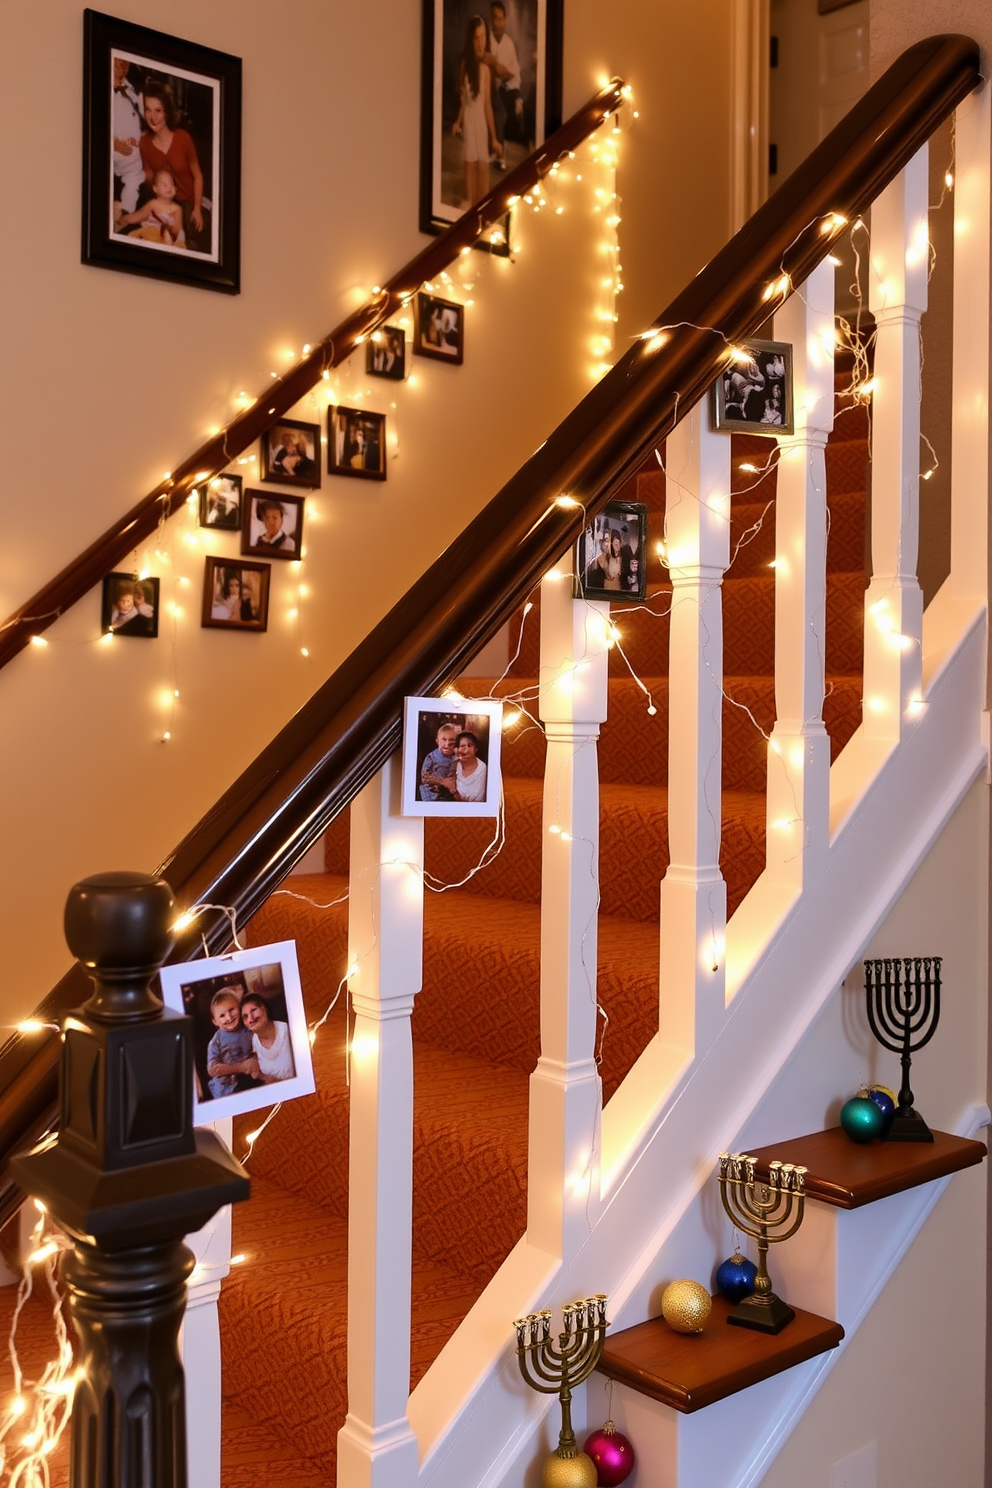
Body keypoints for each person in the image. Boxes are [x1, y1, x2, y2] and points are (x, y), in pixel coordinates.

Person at [137, 79, 206, 252]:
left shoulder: (183, 138)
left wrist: (197, 208)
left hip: (190, 203)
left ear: (167, 112)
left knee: (195, 242)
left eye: (158, 111)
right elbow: (149, 175)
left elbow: (198, 176)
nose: (153, 117)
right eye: (148, 110)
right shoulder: (144, 143)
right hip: (164, 204)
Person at [451, 14, 502, 207]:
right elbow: (464, 101)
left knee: (482, 164)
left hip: (481, 123)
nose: (480, 43)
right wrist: (458, 122)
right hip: (469, 124)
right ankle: (470, 200)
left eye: (483, 37)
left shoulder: (486, 71)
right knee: (469, 161)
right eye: (476, 38)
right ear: (470, 40)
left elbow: (487, 105)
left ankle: (482, 204)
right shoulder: (465, 66)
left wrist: (494, 137)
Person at [484, 1, 524, 168]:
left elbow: (515, 74)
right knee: (498, 108)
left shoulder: (508, 44)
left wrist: (505, 77)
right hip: (486, 85)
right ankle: (497, 154)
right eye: (494, 19)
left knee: (504, 104)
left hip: (505, 88)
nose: (497, 23)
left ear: (506, 20)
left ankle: (497, 152)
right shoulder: (485, 39)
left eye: (501, 19)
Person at [205, 986, 257, 1098]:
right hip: (227, 1088)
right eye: (222, 1015)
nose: (229, 1018)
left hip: (250, 1077)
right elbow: (212, 1070)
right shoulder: (215, 1042)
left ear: (239, 1008)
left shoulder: (249, 1030)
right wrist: (241, 1067)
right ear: (215, 1021)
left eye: (232, 1010)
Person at [117, 168, 186, 247]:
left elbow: (178, 230)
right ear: (155, 188)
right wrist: (124, 218)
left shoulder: (177, 208)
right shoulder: (153, 204)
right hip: (150, 235)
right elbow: (139, 215)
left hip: (167, 241)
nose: (169, 187)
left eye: (172, 184)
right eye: (164, 184)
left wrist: (171, 230)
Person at [111, 56, 144, 218]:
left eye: (126, 61)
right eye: (118, 59)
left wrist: (139, 139)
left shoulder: (132, 91)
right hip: (108, 146)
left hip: (129, 151)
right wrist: (113, 142)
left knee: (137, 172)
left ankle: (125, 211)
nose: (122, 64)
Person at [241, 993, 295, 1084]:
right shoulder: (254, 1040)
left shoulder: (288, 1030)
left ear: (264, 1008)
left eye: (254, 1010)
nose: (251, 1019)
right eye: (245, 1016)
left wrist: (275, 1081)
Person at [419, 722, 460, 801]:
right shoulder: (431, 757)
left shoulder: (457, 758)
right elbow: (424, 778)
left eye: (451, 740)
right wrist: (442, 781)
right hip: (431, 795)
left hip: (449, 794)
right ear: (437, 741)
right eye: (444, 740)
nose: (447, 744)